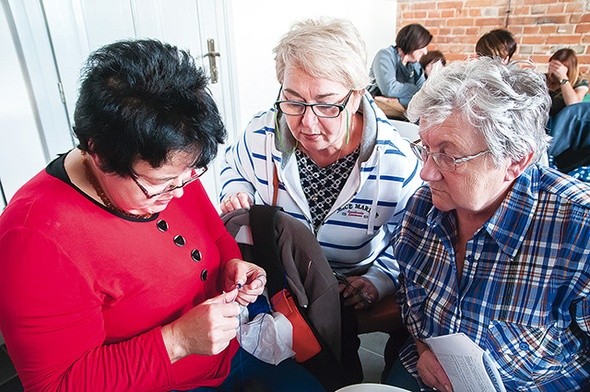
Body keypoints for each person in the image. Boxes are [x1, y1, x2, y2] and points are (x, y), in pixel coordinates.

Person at [0, 39, 325, 392]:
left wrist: (232, 266)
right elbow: (56, 384)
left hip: (232, 352)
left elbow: (214, 235)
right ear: (97, 153)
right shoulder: (34, 238)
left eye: (192, 173)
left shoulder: (170, 166)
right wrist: (177, 341)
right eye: (162, 184)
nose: (181, 192)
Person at [219, 17, 423, 388]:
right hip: (279, 272)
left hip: (347, 281)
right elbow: (233, 169)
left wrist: (379, 279)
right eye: (293, 102)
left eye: (327, 104)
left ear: (357, 95)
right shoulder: (261, 132)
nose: (308, 123)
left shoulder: (395, 161)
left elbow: (408, 242)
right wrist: (235, 191)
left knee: (334, 367)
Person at [383, 57, 590, 391]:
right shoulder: (423, 209)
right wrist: (423, 349)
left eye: (449, 155)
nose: (426, 172)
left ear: (515, 160)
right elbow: (411, 301)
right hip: (428, 373)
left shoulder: (580, 230)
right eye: (426, 148)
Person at [368, 23, 433, 119]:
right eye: (422, 47)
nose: (425, 52)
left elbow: (423, 92)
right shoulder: (385, 56)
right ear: (413, 44)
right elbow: (389, 89)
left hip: (401, 114)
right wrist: (414, 90)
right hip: (378, 112)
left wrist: (399, 100)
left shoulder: (415, 65)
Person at [546, 48, 589, 117]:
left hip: (563, 122)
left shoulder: (580, 82)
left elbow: (573, 104)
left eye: (557, 68)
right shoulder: (545, 78)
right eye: (551, 66)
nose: (553, 71)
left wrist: (563, 77)